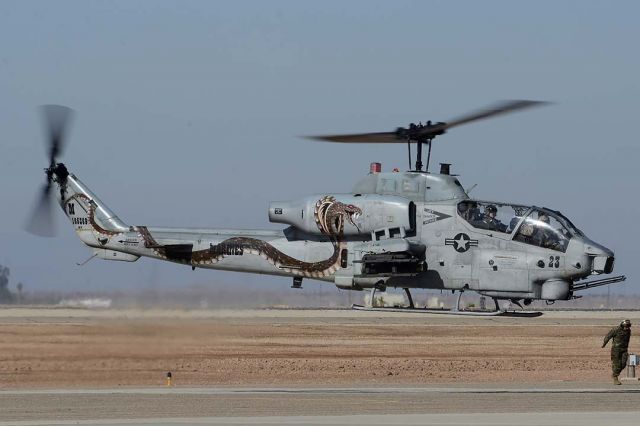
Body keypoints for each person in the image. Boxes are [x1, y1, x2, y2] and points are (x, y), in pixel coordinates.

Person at [602, 319, 632, 385]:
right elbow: (608, 336)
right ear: (622, 325)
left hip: (624, 349)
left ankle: (615, 374)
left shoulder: (628, 331)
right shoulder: (616, 330)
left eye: (628, 326)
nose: (627, 327)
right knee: (617, 364)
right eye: (626, 326)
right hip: (616, 350)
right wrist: (604, 344)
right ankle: (615, 377)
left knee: (623, 364)